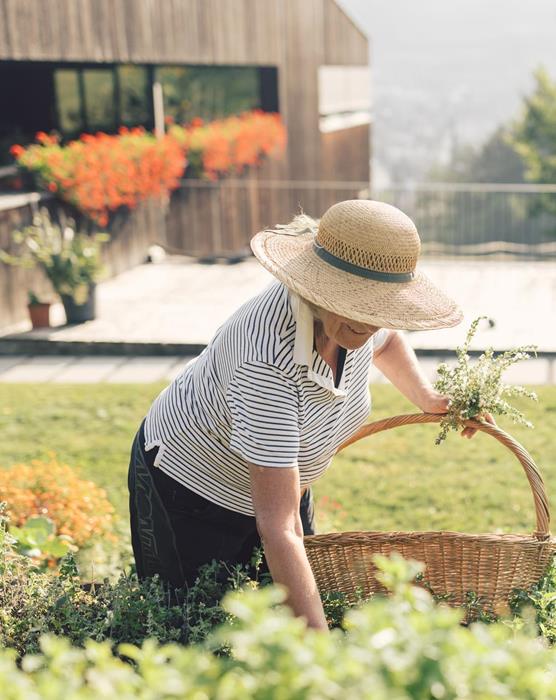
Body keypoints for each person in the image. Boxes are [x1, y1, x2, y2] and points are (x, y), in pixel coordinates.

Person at [127, 199, 495, 631]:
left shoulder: (362, 325)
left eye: (380, 307)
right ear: (317, 287)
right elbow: (280, 528)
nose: (368, 321)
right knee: (195, 629)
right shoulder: (265, 358)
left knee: (290, 611)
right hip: (191, 489)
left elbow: (388, 342)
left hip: (282, 483)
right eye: (356, 303)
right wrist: (321, 657)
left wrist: (428, 397)